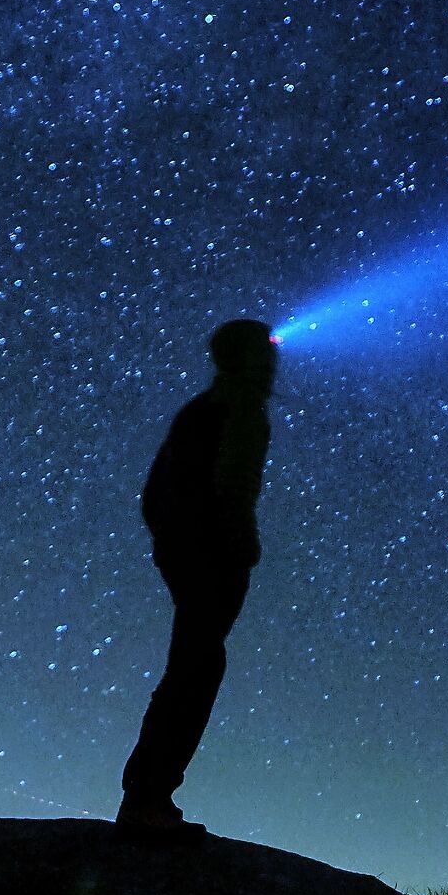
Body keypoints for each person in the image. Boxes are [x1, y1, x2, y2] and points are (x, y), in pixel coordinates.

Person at [117, 318, 278, 831]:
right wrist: (241, 548)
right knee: (196, 669)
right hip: (212, 556)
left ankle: (146, 795)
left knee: (191, 665)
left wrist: (169, 543)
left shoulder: (197, 411)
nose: (275, 359)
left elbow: (151, 493)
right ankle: (147, 800)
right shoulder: (242, 409)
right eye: (266, 349)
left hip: (184, 552)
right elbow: (234, 486)